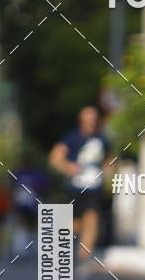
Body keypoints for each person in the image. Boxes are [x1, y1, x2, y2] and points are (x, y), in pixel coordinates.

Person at [48, 106, 112, 267]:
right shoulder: (71, 137)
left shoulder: (103, 139)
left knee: (92, 217)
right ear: (81, 120)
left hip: (94, 186)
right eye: (88, 119)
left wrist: (109, 173)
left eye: (94, 118)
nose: (91, 122)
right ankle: (62, 248)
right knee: (76, 222)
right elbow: (55, 157)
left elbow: (109, 161)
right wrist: (68, 167)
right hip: (74, 186)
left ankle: (84, 256)